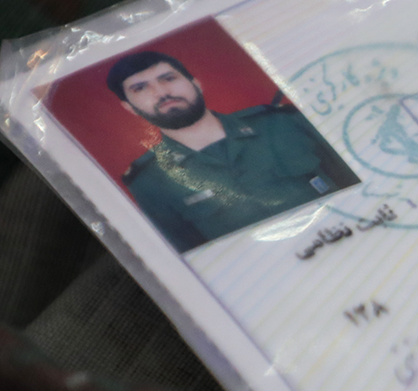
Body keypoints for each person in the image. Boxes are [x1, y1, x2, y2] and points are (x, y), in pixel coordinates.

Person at [106, 50, 357, 251]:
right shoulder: (149, 182)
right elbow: (196, 259)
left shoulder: (285, 123)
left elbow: (358, 184)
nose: (161, 92)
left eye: (168, 78)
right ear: (128, 107)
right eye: (140, 88)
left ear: (195, 84)